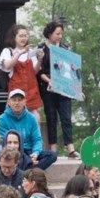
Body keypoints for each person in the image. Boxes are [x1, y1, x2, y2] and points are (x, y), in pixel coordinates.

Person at [37, 20, 77, 158]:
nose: (60, 36)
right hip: (48, 87)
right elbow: (39, 71)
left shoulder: (65, 49)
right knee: (51, 117)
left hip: (64, 87)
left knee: (66, 117)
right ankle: (53, 148)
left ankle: (70, 147)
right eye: (57, 33)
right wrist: (50, 81)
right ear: (49, 34)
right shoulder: (41, 49)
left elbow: (72, 70)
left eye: (61, 34)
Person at [0, 90, 56, 170]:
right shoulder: (2, 119)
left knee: (52, 155)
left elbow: (37, 139)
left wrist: (35, 153)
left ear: (25, 101)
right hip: (13, 150)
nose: (17, 103)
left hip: (30, 151)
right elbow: (5, 142)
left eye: (20, 100)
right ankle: (29, 169)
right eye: (14, 100)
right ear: (9, 102)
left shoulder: (31, 118)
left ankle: (28, 170)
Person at [0, 25, 41, 113]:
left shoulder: (31, 51)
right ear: (14, 37)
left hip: (31, 90)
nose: (24, 38)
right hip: (16, 91)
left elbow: (35, 71)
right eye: (21, 36)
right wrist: (20, 53)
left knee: (34, 117)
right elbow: (7, 65)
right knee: (14, 115)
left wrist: (40, 59)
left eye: (25, 35)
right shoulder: (8, 51)